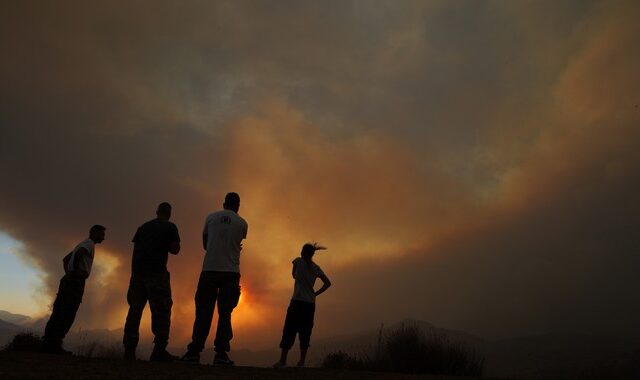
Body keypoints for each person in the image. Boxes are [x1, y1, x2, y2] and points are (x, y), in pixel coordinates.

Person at [182, 192, 248, 365]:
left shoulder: (210, 217)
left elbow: (206, 244)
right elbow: (236, 243)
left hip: (209, 269)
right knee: (225, 314)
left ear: (224, 203)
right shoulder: (242, 223)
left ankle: (194, 352)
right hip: (231, 272)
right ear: (238, 206)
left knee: (203, 311)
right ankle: (220, 354)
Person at [122, 202, 181, 362]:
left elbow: (135, 253)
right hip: (157, 275)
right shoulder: (170, 227)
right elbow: (175, 249)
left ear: (157, 212)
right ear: (169, 213)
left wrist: (133, 277)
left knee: (135, 311)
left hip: (138, 275)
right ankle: (159, 351)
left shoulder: (142, 228)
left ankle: (129, 351)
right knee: (162, 312)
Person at [41, 225, 106, 354]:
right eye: (102, 234)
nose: (104, 238)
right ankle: (54, 346)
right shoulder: (89, 244)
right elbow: (79, 254)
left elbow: (65, 259)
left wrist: (68, 273)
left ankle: (47, 343)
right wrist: (75, 273)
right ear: (95, 233)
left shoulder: (82, 243)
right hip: (75, 282)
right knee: (68, 312)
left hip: (68, 280)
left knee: (59, 310)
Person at [273, 242, 331, 368]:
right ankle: (302, 362)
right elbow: (328, 283)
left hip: (297, 301)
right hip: (310, 304)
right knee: (306, 331)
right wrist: (315, 293)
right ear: (312, 254)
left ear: (302, 252)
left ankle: (283, 361)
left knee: (289, 329)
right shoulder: (316, 268)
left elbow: (293, 275)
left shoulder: (298, 262)